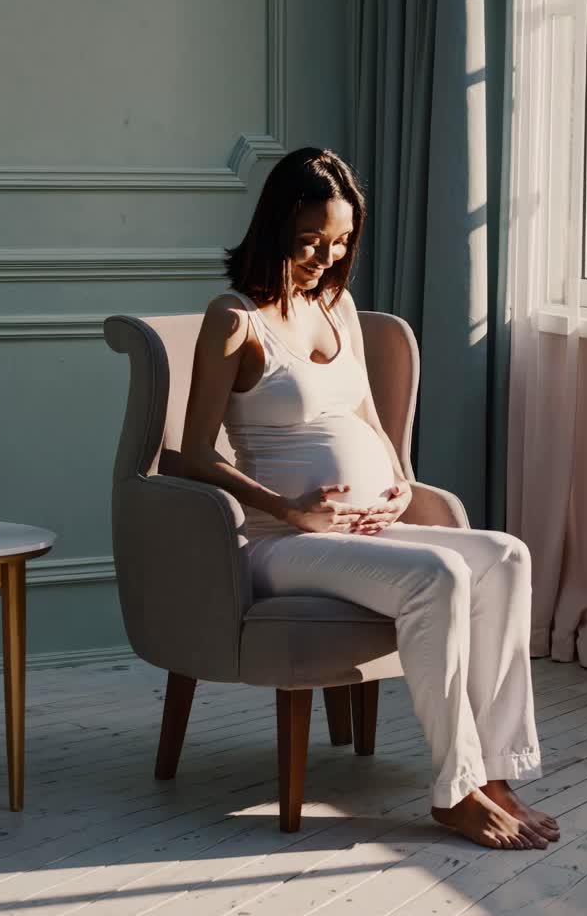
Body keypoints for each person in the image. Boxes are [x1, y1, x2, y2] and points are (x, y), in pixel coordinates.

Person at [180, 146, 559, 850]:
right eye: (312, 241)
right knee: (440, 575)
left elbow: (371, 422)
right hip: (281, 543)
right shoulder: (235, 319)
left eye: (342, 240)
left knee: (505, 556)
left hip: (362, 532)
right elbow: (192, 455)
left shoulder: (339, 308)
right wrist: (291, 509)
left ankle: (498, 773)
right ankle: (454, 788)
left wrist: (399, 487)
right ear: (276, 226)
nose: (328, 255)